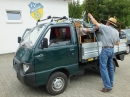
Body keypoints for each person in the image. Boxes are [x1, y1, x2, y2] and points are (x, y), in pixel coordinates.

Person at [88, 13, 120, 92]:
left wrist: (91, 16)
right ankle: (111, 83)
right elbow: (118, 43)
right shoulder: (116, 32)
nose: (106, 23)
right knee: (110, 67)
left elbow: (95, 23)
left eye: (107, 22)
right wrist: (111, 42)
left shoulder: (106, 28)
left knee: (103, 68)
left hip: (105, 50)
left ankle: (107, 86)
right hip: (111, 50)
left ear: (109, 23)